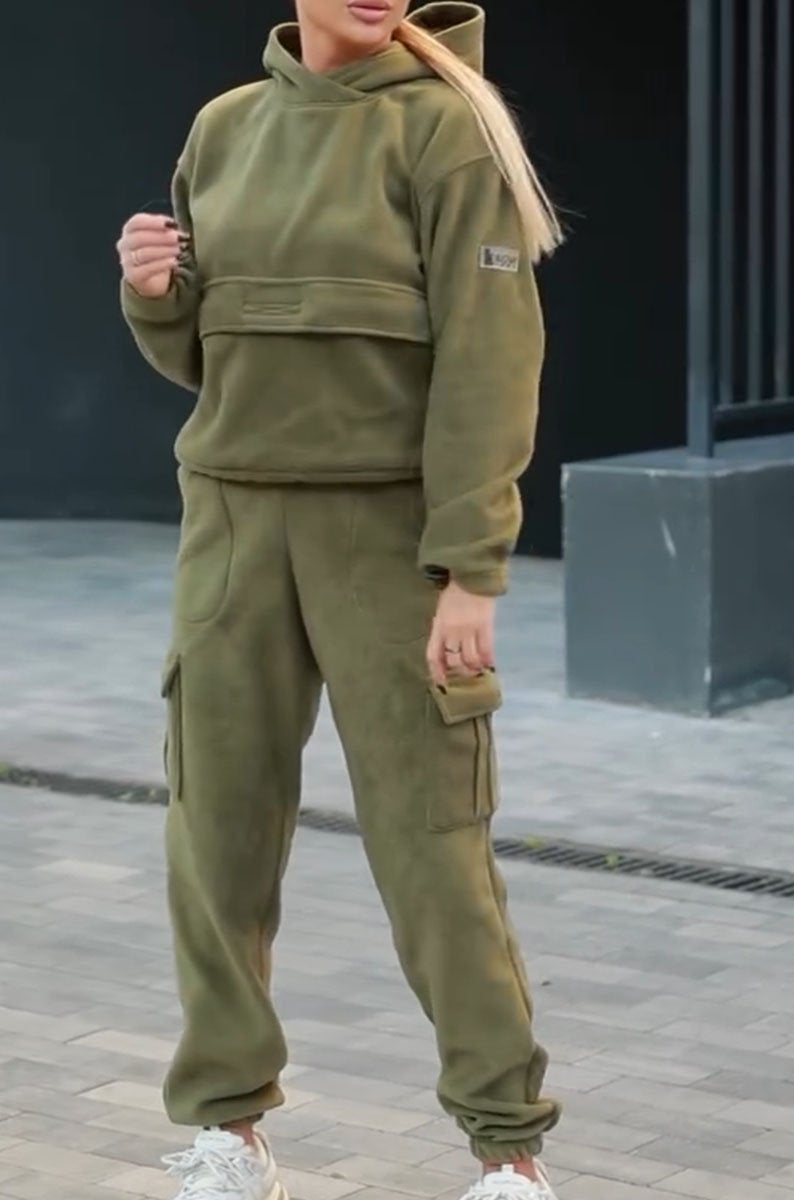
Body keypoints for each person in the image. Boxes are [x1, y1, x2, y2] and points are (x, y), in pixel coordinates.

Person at [117, 2, 563, 1198]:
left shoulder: (449, 130)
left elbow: (490, 360)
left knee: (432, 850)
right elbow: (207, 359)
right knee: (213, 836)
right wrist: (155, 294)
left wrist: (469, 567)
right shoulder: (224, 128)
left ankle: (507, 1152)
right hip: (231, 528)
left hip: (387, 543)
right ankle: (229, 1130)